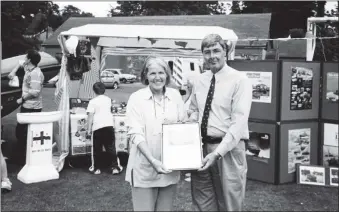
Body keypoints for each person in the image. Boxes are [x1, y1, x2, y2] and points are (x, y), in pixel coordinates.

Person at [188, 34, 252, 211]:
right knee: (202, 203)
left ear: (226, 52)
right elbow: (193, 109)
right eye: (207, 52)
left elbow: (239, 123)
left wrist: (217, 153)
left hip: (228, 150)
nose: (212, 56)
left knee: (229, 204)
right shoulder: (199, 80)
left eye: (216, 50)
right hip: (200, 149)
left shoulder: (240, 80)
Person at [125, 55, 186, 211]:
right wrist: (152, 160)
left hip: (169, 169)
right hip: (144, 170)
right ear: (145, 75)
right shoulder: (136, 98)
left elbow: (183, 127)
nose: (157, 77)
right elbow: (135, 133)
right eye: (152, 73)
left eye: (161, 72)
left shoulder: (175, 96)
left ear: (167, 74)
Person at [8, 50, 44, 163]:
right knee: (21, 131)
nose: (24, 58)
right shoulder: (28, 68)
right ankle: (21, 157)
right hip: (26, 105)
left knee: (24, 133)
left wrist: (21, 99)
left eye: (26, 57)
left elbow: (35, 92)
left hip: (33, 107)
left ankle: (22, 158)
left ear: (29, 60)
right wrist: (13, 72)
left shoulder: (35, 74)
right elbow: (20, 63)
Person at [86, 82, 123, 175]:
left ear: (94, 91)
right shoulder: (108, 100)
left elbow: (90, 117)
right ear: (104, 90)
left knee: (96, 149)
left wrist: (88, 129)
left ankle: (97, 168)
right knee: (111, 148)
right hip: (109, 125)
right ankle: (115, 167)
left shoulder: (92, 102)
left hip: (97, 127)